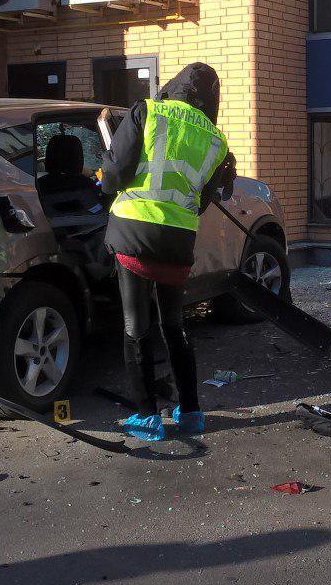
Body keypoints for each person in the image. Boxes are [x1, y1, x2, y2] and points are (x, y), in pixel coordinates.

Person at [101, 63, 236, 441]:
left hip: (133, 233)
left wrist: (105, 183)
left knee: (135, 328)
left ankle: (147, 417)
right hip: (178, 242)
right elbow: (202, 201)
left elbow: (114, 175)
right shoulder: (216, 140)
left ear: (176, 85)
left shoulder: (147, 111)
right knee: (174, 326)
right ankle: (191, 412)